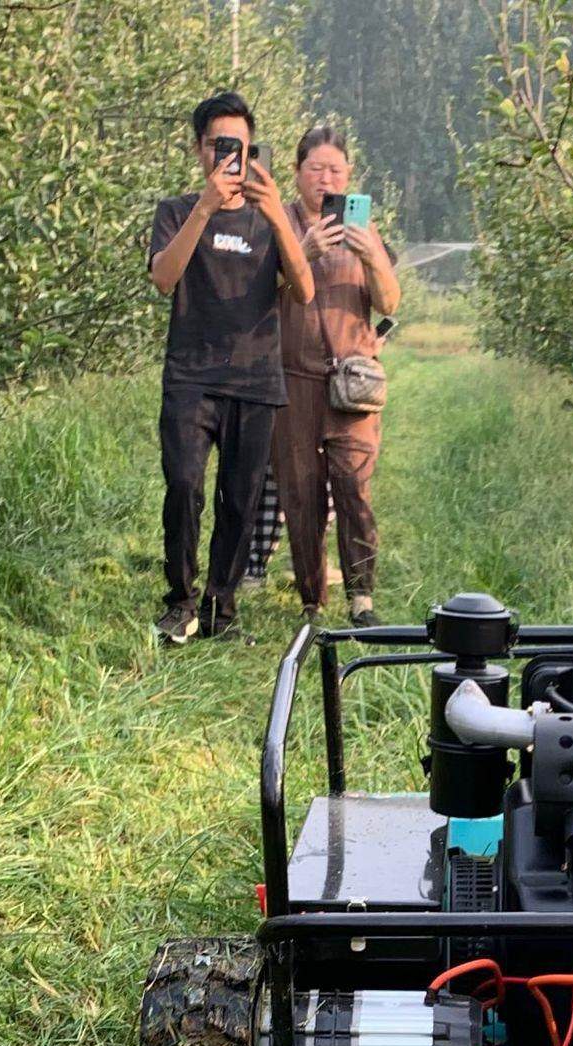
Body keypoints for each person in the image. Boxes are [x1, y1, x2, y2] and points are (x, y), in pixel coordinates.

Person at [147, 92, 313, 643]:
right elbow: (163, 278)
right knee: (184, 486)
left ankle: (221, 606)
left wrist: (278, 214)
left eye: (239, 146)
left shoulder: (271, 219)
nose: (230, 157)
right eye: (219, 146)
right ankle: (180, 601)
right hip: (192, 376)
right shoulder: (176, 211)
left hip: (255, 378)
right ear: (200, 150)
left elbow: (305, 290)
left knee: (240, 500)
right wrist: (205, 208)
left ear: (252, 150)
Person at [274, 125, 401, 628]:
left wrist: (369, 255)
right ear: (297, 172)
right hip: (293, 379)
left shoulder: (364, 229)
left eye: (335, 170)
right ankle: (312, 598)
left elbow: (388, 302)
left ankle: (361, 597)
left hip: (353, 381)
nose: (325, 179)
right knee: (301, 492)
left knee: (354, 487)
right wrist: (302, 253)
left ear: (349, 175)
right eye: (316, 168)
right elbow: (259, 291)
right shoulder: (279, 223)